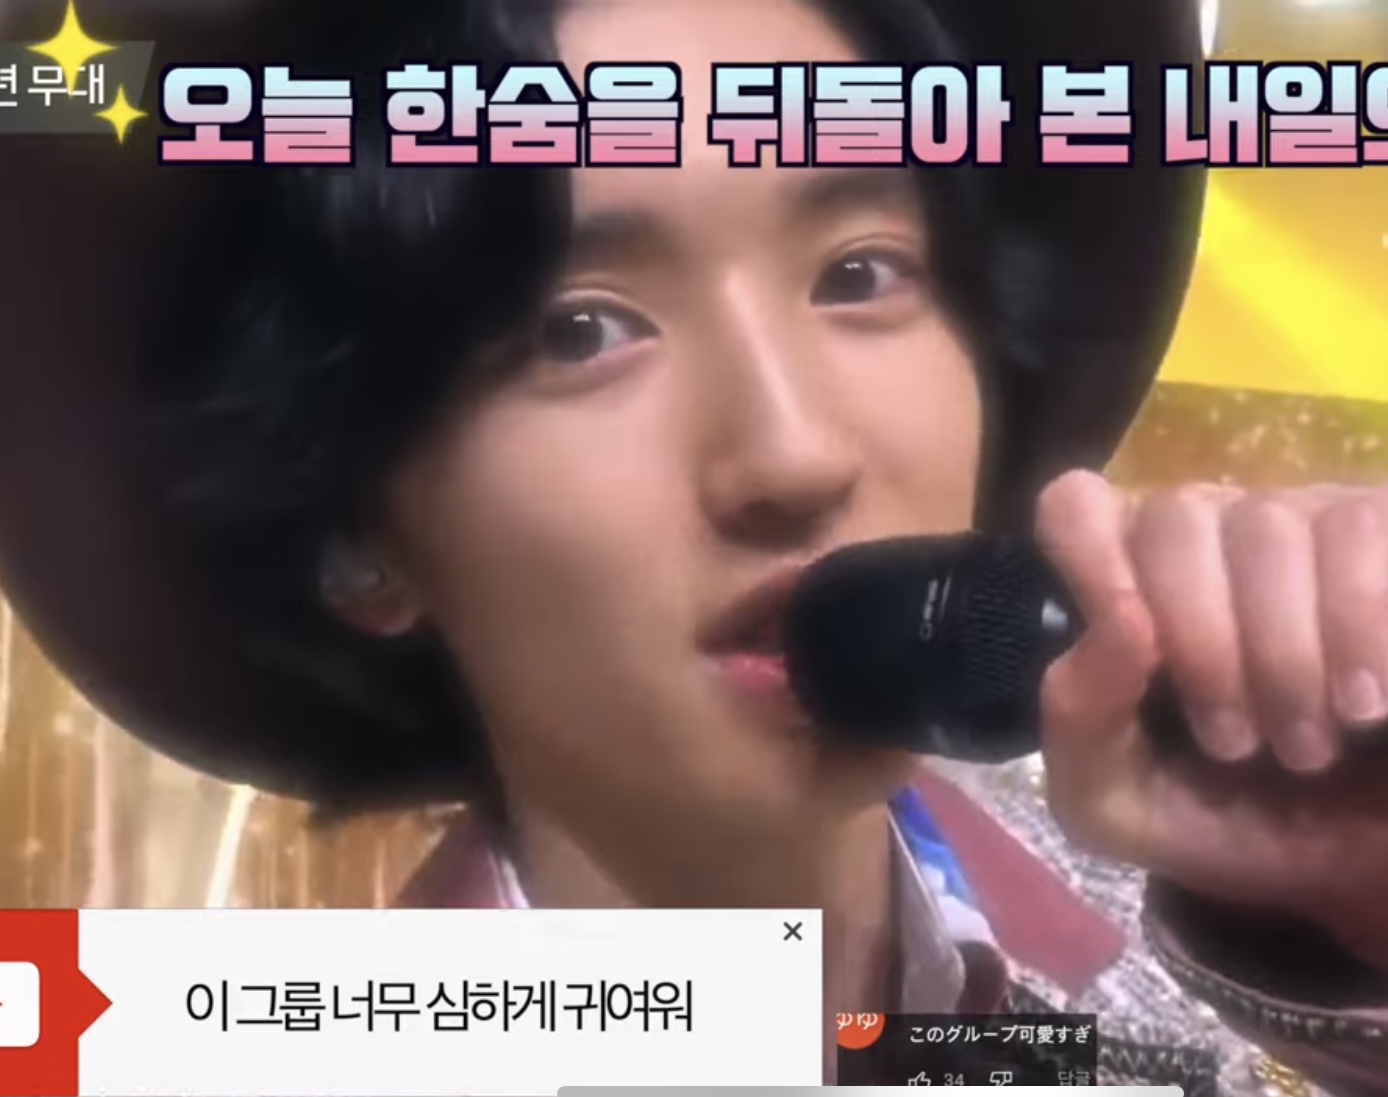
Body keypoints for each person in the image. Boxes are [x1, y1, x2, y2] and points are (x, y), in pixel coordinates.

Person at [0, 0, 1386, 1093]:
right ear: (365, 539)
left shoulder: (1203, 939)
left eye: (860, 274)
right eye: (580, 331)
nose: (792, 454)